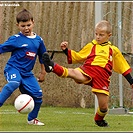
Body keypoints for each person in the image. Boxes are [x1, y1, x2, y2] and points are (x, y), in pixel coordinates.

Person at [42, 20, 133, 127]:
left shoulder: (113, 50)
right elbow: (79, 56)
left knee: (103, 107)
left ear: (109, 35)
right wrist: (66, 51)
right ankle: (52, 66)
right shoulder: (91, 46)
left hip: (102, 78)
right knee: (73, 73)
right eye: (96, 34)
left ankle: (99, 120)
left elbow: (123, 66)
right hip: (88, 70)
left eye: (101, 35)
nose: (98, 37)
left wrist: (131, 81)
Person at [0, 9, 47, 126]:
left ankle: (32, 119)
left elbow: (43, 57)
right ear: (18, 25)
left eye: (28, 25)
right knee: (14, 82)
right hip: (13, 68)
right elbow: (1, 49)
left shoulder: (38, 40)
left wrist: (43, 72)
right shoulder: (16, 39)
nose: (26, 28)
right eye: (23, 26)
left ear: (33, 23)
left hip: (27, 73)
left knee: (38, 95)